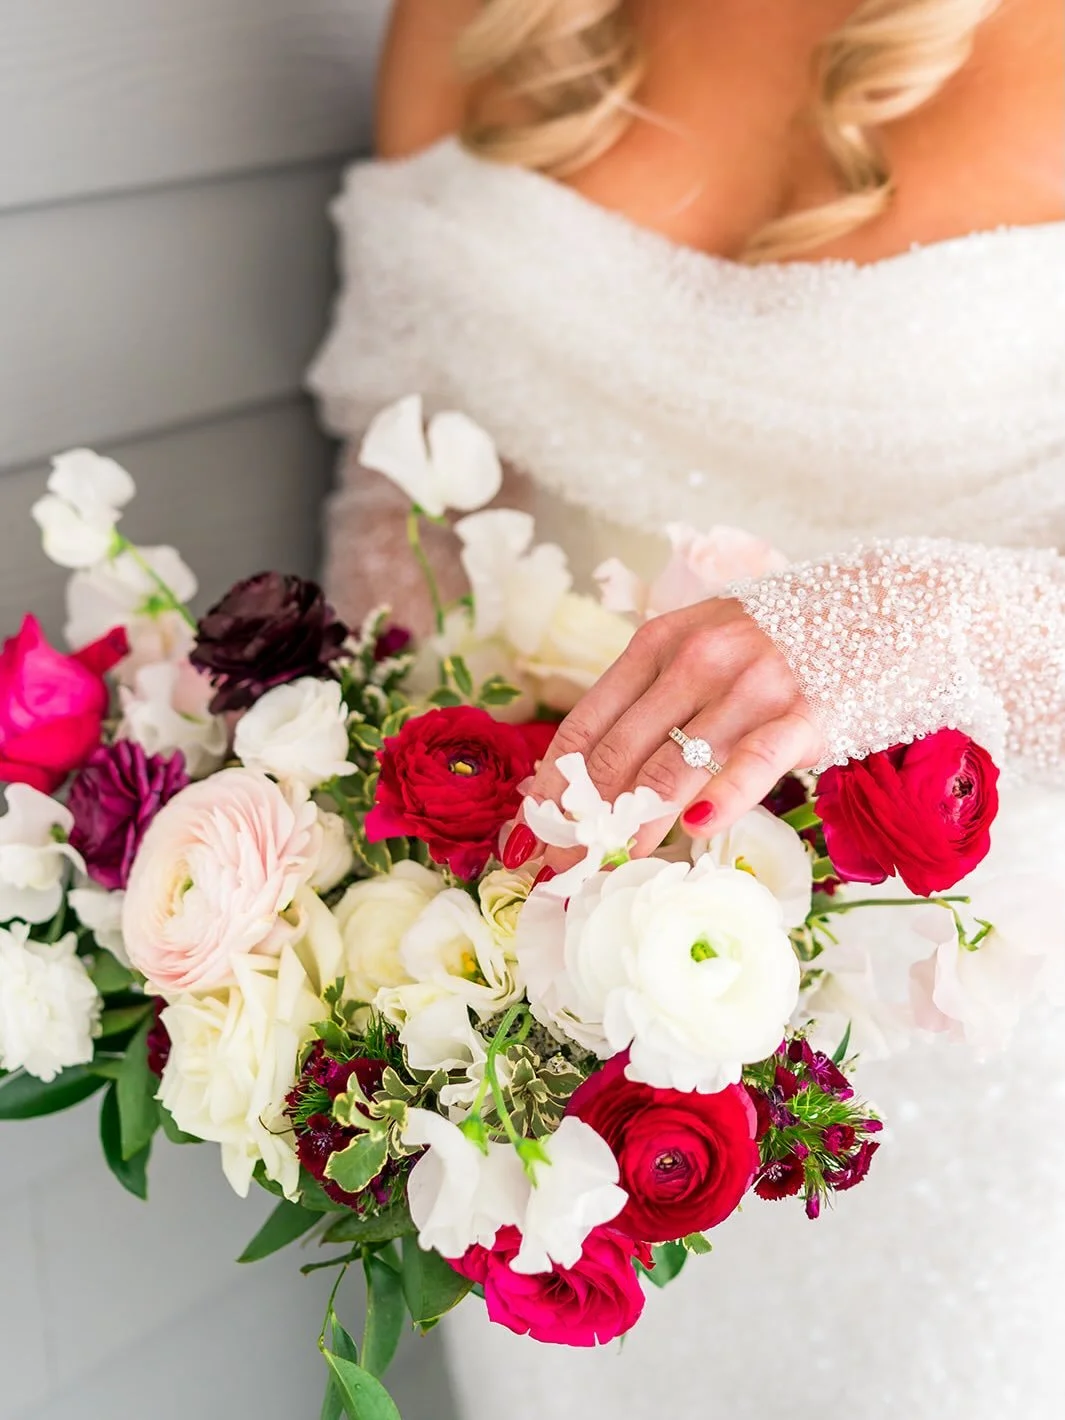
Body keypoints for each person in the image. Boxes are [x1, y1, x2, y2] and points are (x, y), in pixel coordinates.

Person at [307, 1, 1065, 1414]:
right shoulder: (474, 26)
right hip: (563, 1110)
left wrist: (915, 615)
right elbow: (401, 530)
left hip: (985, 1072)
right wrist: (363, 896)